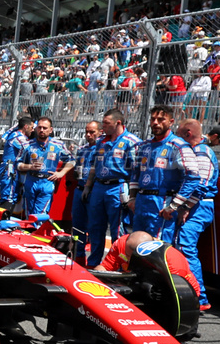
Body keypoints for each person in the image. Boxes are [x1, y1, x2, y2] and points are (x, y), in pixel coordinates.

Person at [130, 105, 200, 244]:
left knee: (157, 247)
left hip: (162, 202)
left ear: (171, 122)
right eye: (153, 119)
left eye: (161, 119)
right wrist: (132, 198)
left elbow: (193, 177)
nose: (156, 122)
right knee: (136, 244)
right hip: (142, 201)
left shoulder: (178, 146)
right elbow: (135, 173)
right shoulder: (144, 146)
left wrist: (174, 205)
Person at [85, 109, 141, 268]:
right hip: (98, 187)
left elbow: (136, 171)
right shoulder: (101, 141)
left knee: (118, 229)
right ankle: (93, 264)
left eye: (106, 123)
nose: (103, 127)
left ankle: (117, 266)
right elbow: (95, 165)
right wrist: (88, 187)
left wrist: (132, 196)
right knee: (95, 227)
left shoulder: (132, 142)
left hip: (118, 187)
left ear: (118, 123)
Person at [175, 118, 216, 311]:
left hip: (199, 206)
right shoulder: (194, 152)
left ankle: (199, 299)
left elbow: (201, 184)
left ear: (188, 134)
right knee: (179, 246)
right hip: (193, 205)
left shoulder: (202, 152)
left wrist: (186, 207)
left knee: (185, 247)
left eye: (178, 134)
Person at [96, 231, 201, 300]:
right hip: (143, 286)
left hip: (181, 296)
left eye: (131, 257)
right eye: (127, 255)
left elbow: (178, 296)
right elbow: (105, 267)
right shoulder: (122, 244)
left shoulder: (172, 260)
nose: (127, 259)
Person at [16, 117, 72, 216]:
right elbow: (18, 164)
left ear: (51, 130)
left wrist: (61, 173)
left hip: (47, 182)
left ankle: (37, 230)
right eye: (39, 127)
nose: (42, 130)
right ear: (36, 128)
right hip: (30, 181)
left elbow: (72, 160)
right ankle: (30, 230)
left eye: (45, 128)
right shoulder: (27, 144)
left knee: (40, 214)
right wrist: (30, 167)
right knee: (29, 213)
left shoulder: (58, 145)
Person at [69, 120, 101, 263]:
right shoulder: (81, 149)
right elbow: (76, 169)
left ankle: (94, 262)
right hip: (79, 190)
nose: (88, 135)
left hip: (94, 191)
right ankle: (79, 257)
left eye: (92, 132)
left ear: (100, 132)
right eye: (86, 132)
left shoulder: (103, 148)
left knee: (94, 227)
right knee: (77, 226)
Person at [0, 117, 34, 210]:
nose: (33, 130)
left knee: (12, 197)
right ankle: (2, 222)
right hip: (9, 169)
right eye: (32, 127)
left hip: (12, 169)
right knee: (8, 198)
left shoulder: (16, 135)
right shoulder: (18, 136)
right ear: (26, 127)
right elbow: (30, 150)